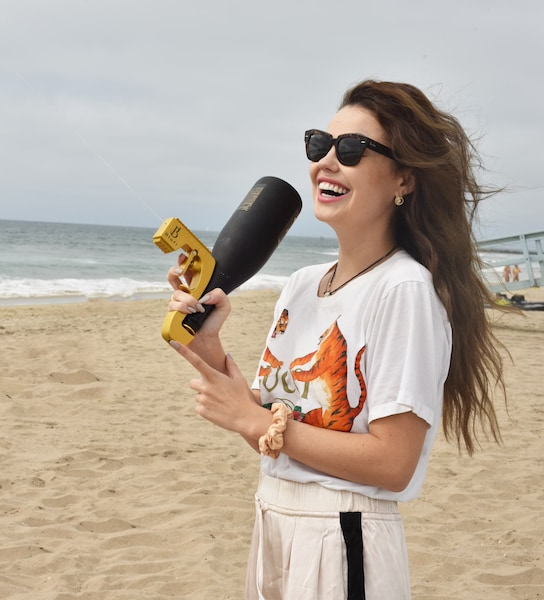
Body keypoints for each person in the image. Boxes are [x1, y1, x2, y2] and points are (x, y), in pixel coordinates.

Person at [165, 80, 506, 599]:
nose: (326, 161)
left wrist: (253, 418)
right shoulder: (302, 284)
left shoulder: (403, 290)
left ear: (404, 180)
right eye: (319, 144)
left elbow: (394, 463)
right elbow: (272, 436)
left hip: (344, 532)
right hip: (273, 516)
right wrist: (211, 350)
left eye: (350, 150)